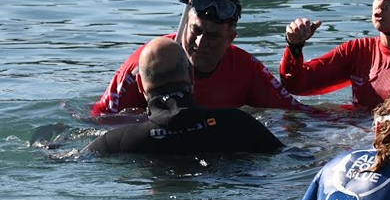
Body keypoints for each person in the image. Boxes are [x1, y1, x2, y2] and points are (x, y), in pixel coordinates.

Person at [91, 0, 300, 116]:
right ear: (187, 24)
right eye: (196, 31)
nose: (201, 42)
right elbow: (101, 120)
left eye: (214, 36)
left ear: (230, 39)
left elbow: (295, 113)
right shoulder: (148, 62)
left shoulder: (246, 68)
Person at [86, 37, 284, 155]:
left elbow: (64, 161)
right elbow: (294, 158)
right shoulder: (238, 123)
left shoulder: (115, 142)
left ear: (139, 85)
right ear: (191, 75)